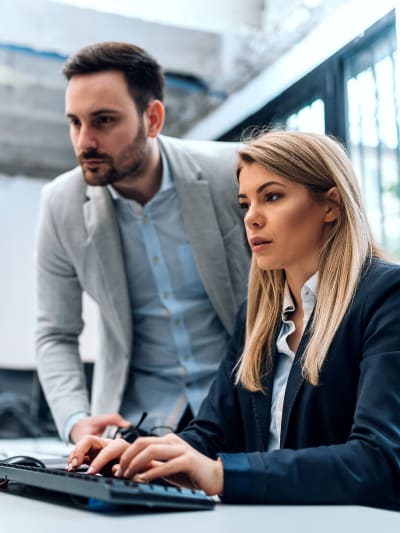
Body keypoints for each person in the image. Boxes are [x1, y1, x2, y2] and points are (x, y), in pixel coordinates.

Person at [67, 130, 400, 509]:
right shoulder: (258, 317)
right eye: (245, 203)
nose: (252, 218)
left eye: (272, 197)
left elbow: (377, 461)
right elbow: (210, 435)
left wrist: (221, 474)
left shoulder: (386, 297)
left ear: (331, 205)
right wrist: (131, 451)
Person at [35, 41, 250, 444]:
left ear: (152, 119)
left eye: (103, 120)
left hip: (243, 409)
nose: (84, 142)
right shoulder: (60, 203)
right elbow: (55, 333)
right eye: (75, 122)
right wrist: (76, 421)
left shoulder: (233, 173)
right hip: (135, 422)